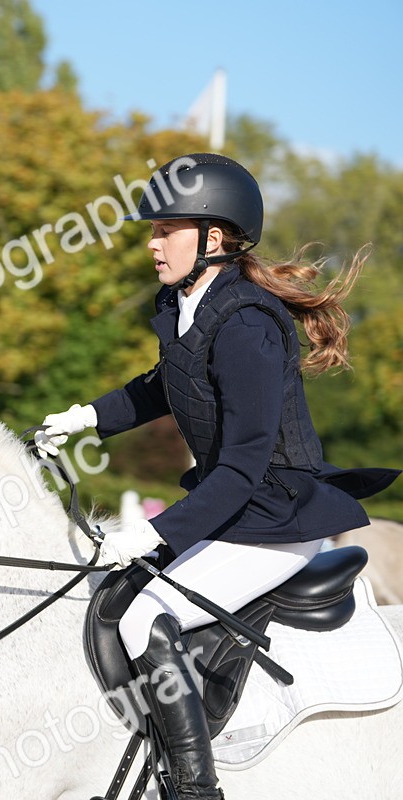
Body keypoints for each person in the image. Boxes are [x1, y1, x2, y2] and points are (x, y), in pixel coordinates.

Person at [34, 153, 400, 800]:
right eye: (152, 231)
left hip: (276, 518)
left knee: (144, 620)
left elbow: (242, 467)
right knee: (112, 597)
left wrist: (153, 533)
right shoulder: (186, 303)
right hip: (235, 509)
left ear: (213, 237)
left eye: (165, 231)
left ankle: (194, 788)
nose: (152, 245)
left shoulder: (247, 324)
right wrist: (86, 417)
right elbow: (163, 385)